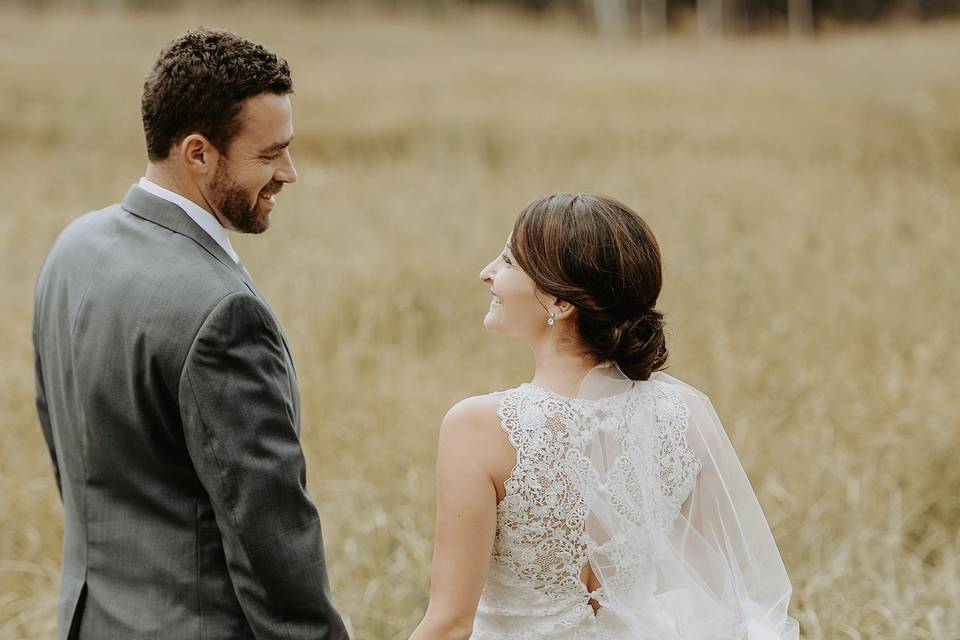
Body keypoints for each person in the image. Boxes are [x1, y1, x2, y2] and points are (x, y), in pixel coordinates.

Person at [32, 28, 348, 640]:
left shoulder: (72, 250)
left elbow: (71, 459)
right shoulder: (224, 313)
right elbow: (270, 539)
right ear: (198, 153)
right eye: (270, 153)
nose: (290, 172)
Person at [409, 193, 800, 640]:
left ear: (560, 302)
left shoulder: (479, 427)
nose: (487, 273)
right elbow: (723, 596)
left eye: (508, 261)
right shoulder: (684, 415)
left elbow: (449, 625)